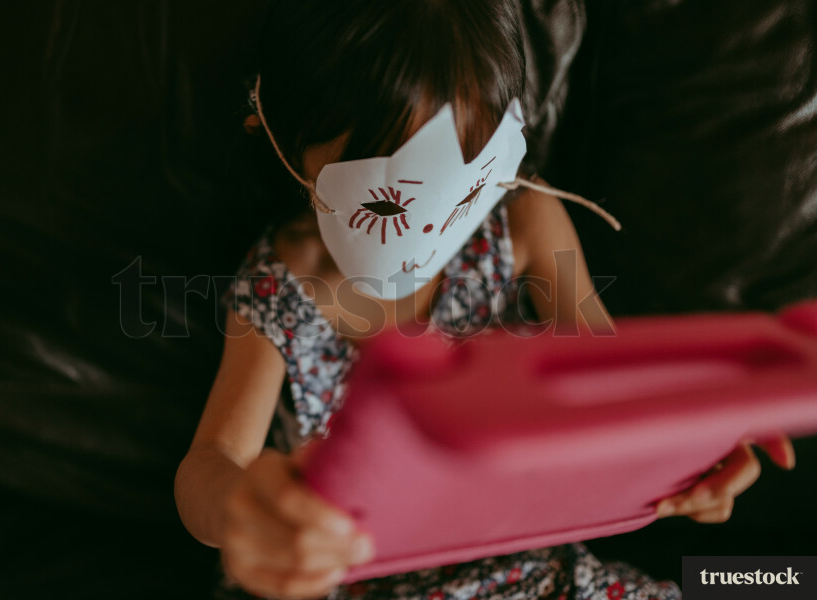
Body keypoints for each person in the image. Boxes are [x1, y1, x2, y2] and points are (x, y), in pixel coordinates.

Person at [174, 1, 795, 598]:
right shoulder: (279, 287)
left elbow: (609, 394)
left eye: (462, 189)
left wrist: (691, 453)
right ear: (280, 129)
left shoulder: (523, 220)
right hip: (349, 579)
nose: (428, 232)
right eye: (388, 201)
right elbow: (212, 462)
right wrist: (243, 511)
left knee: (781, 585)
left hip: (527, 564)